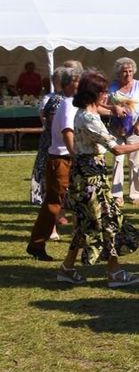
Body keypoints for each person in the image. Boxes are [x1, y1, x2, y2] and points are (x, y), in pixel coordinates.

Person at [56, 71, 139, 288]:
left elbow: (101, 110)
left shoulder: (83, 113)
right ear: (94, 94)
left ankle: (67, 269)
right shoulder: (90, 119)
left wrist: (113, 108)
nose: (106, 96)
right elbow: (118, 149)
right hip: (91, 179)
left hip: (87, 175)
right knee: (107, 223)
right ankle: (114, 272)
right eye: (103, 92)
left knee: (85, 225)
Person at [26, 64, 82, 261]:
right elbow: (67, 132)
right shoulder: (67, 103)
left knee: (72, 202)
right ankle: (37, 244)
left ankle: (81, 243)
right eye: (77, 82)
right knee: (53, 204)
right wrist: (75, 154)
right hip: (61, 159)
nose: (81, 85)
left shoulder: (72, 101)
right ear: (68, 85)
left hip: (62, 157)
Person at [28, 61, 83, 207]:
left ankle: (63, 202)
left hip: (61, 142)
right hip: (55, 142)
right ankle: (46, 199)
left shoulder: (70, 99)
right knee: (50, 173)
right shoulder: (57, 100)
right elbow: (53, 123)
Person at [108, 57, 139, 204]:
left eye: (130, 71)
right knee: (118, 160)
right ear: (118, 73)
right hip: (116, 129)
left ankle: (135, 194)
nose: (128, 74)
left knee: (134, 161)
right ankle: (117, 194)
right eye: (124, 71)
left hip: (135, 129)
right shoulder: (112, 87)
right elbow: (103, 105)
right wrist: (113, 109)